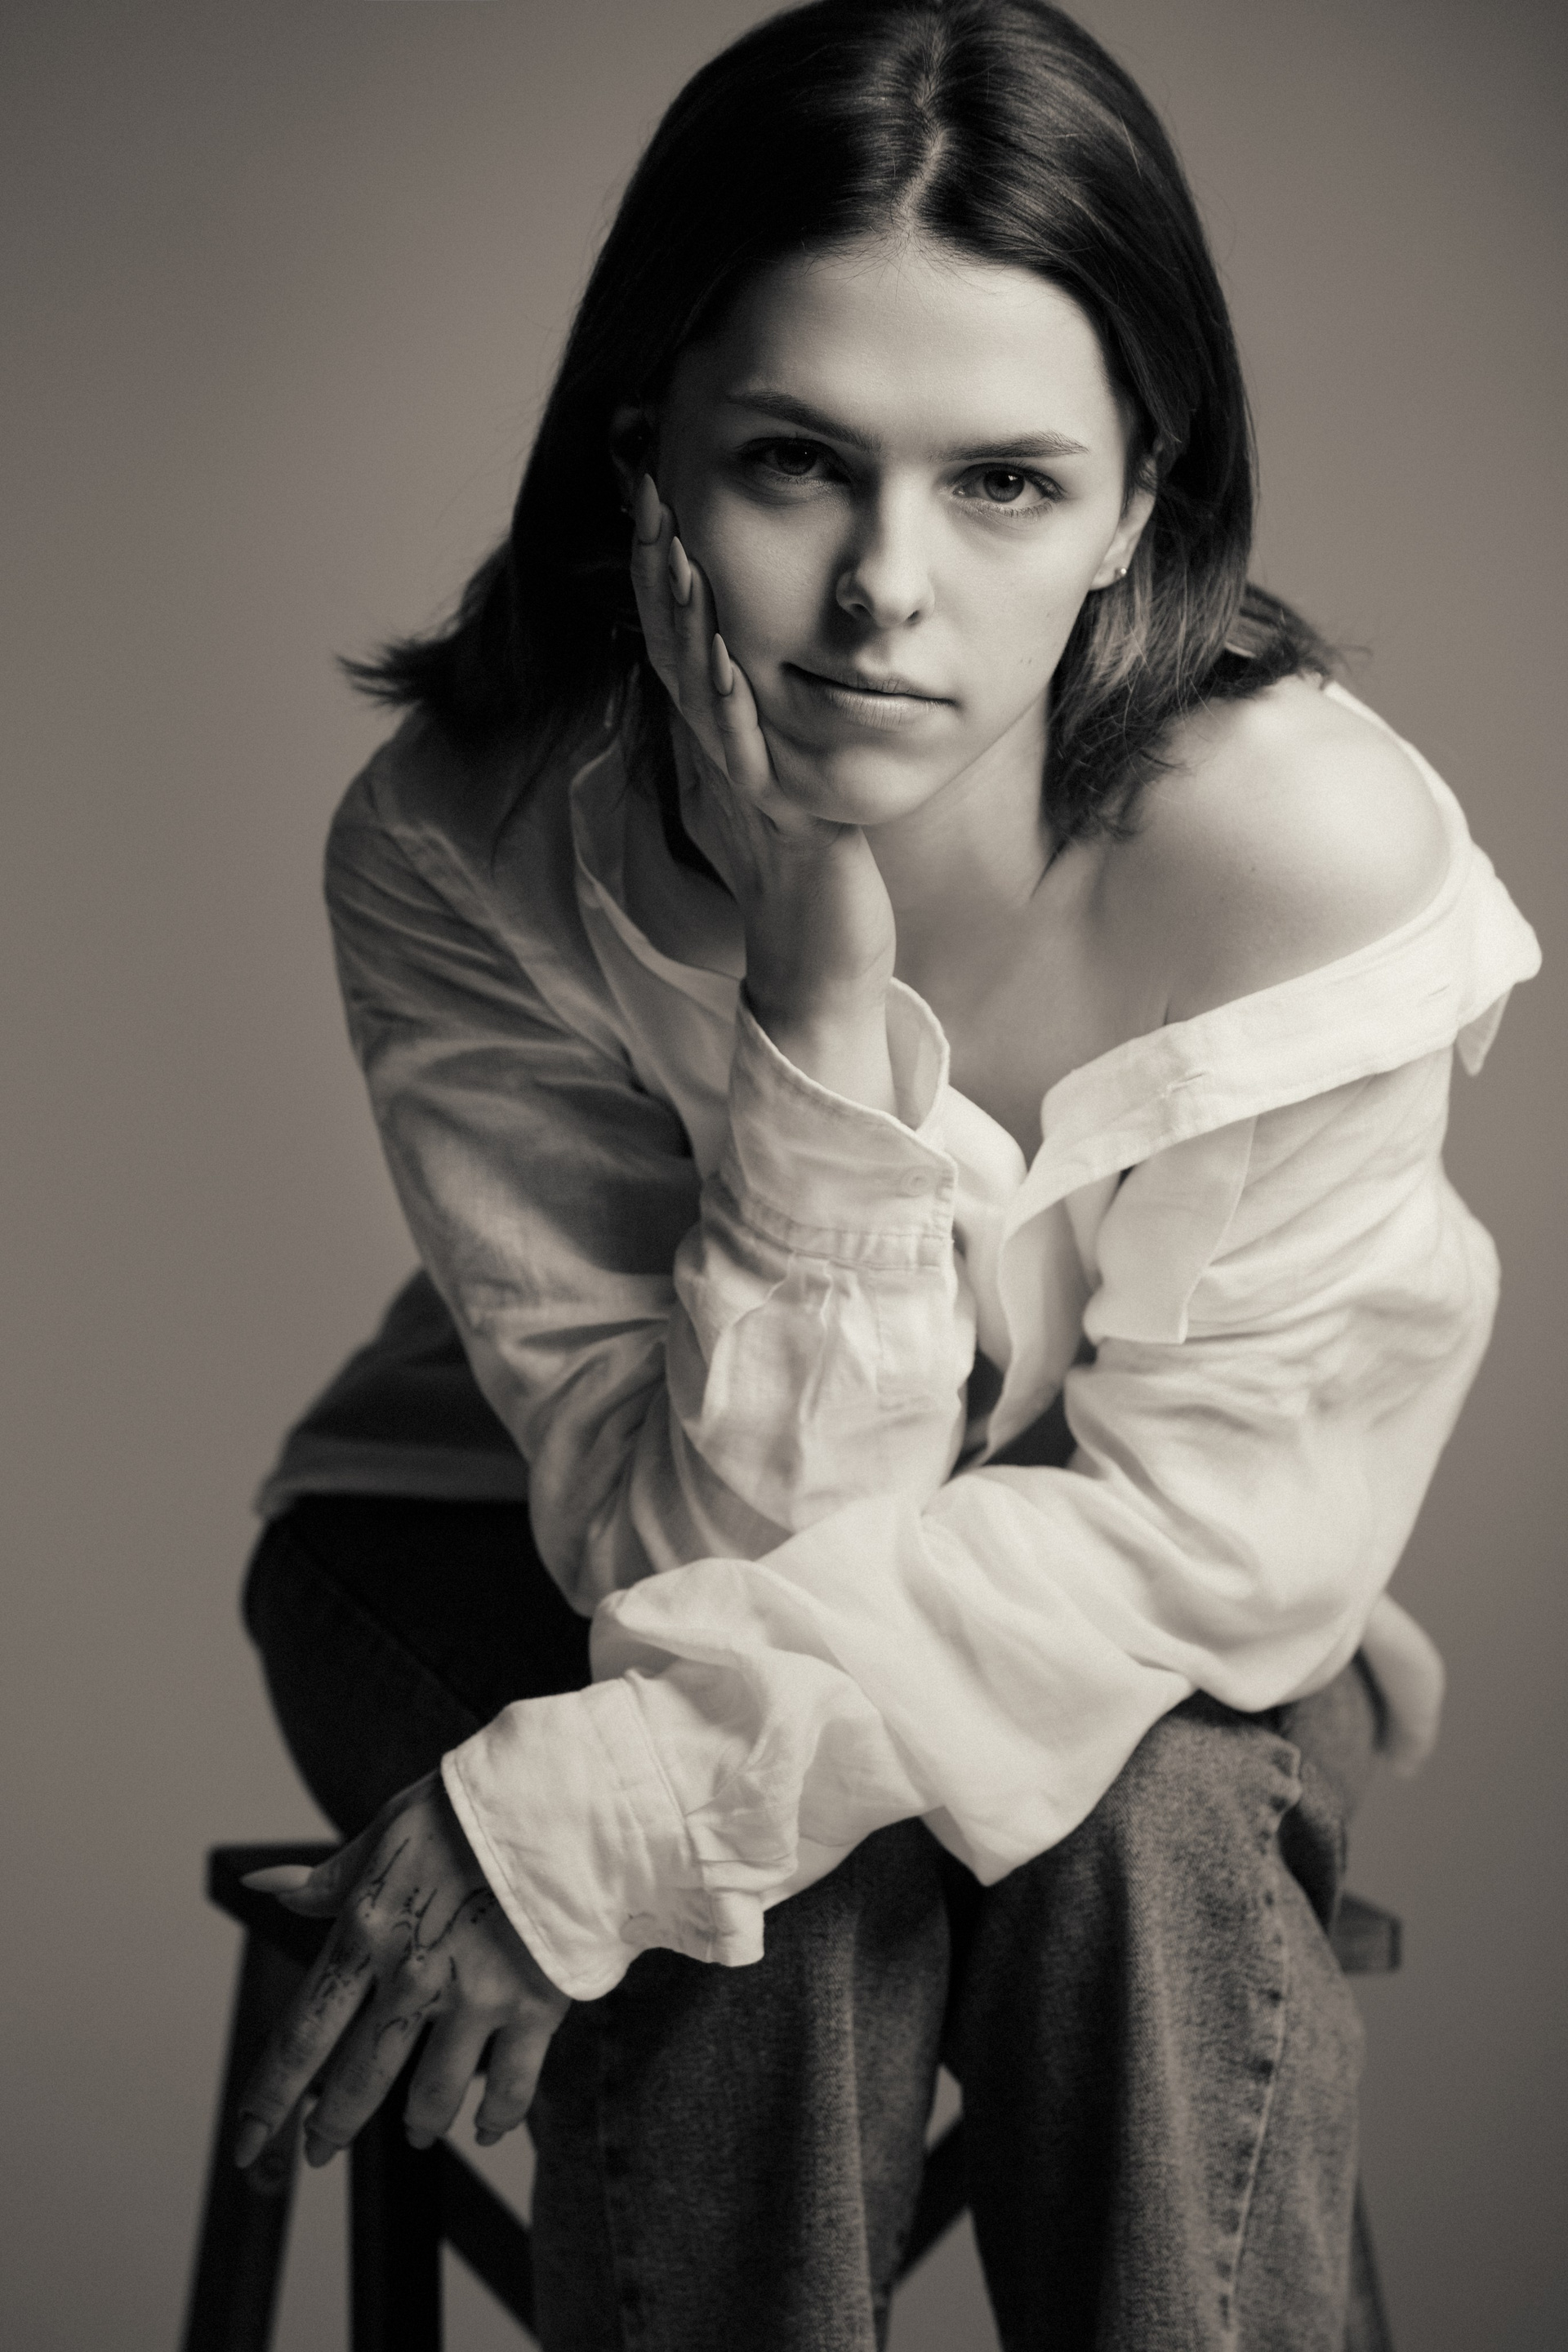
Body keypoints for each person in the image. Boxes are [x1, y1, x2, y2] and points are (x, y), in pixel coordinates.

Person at [231, 3, 1539, 2345]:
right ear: (645, 460)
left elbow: (1216, 1536)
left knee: (1106, 1822)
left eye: (1006, 483)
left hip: (1167, 1583)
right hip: (497, 1524)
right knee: (768, 1896)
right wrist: (819, 1018)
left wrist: (618, 1809)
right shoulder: (464, 843)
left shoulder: (1305, 861)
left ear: (1138, 502)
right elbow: (693, 1574)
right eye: (794, 463)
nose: (882, 591)